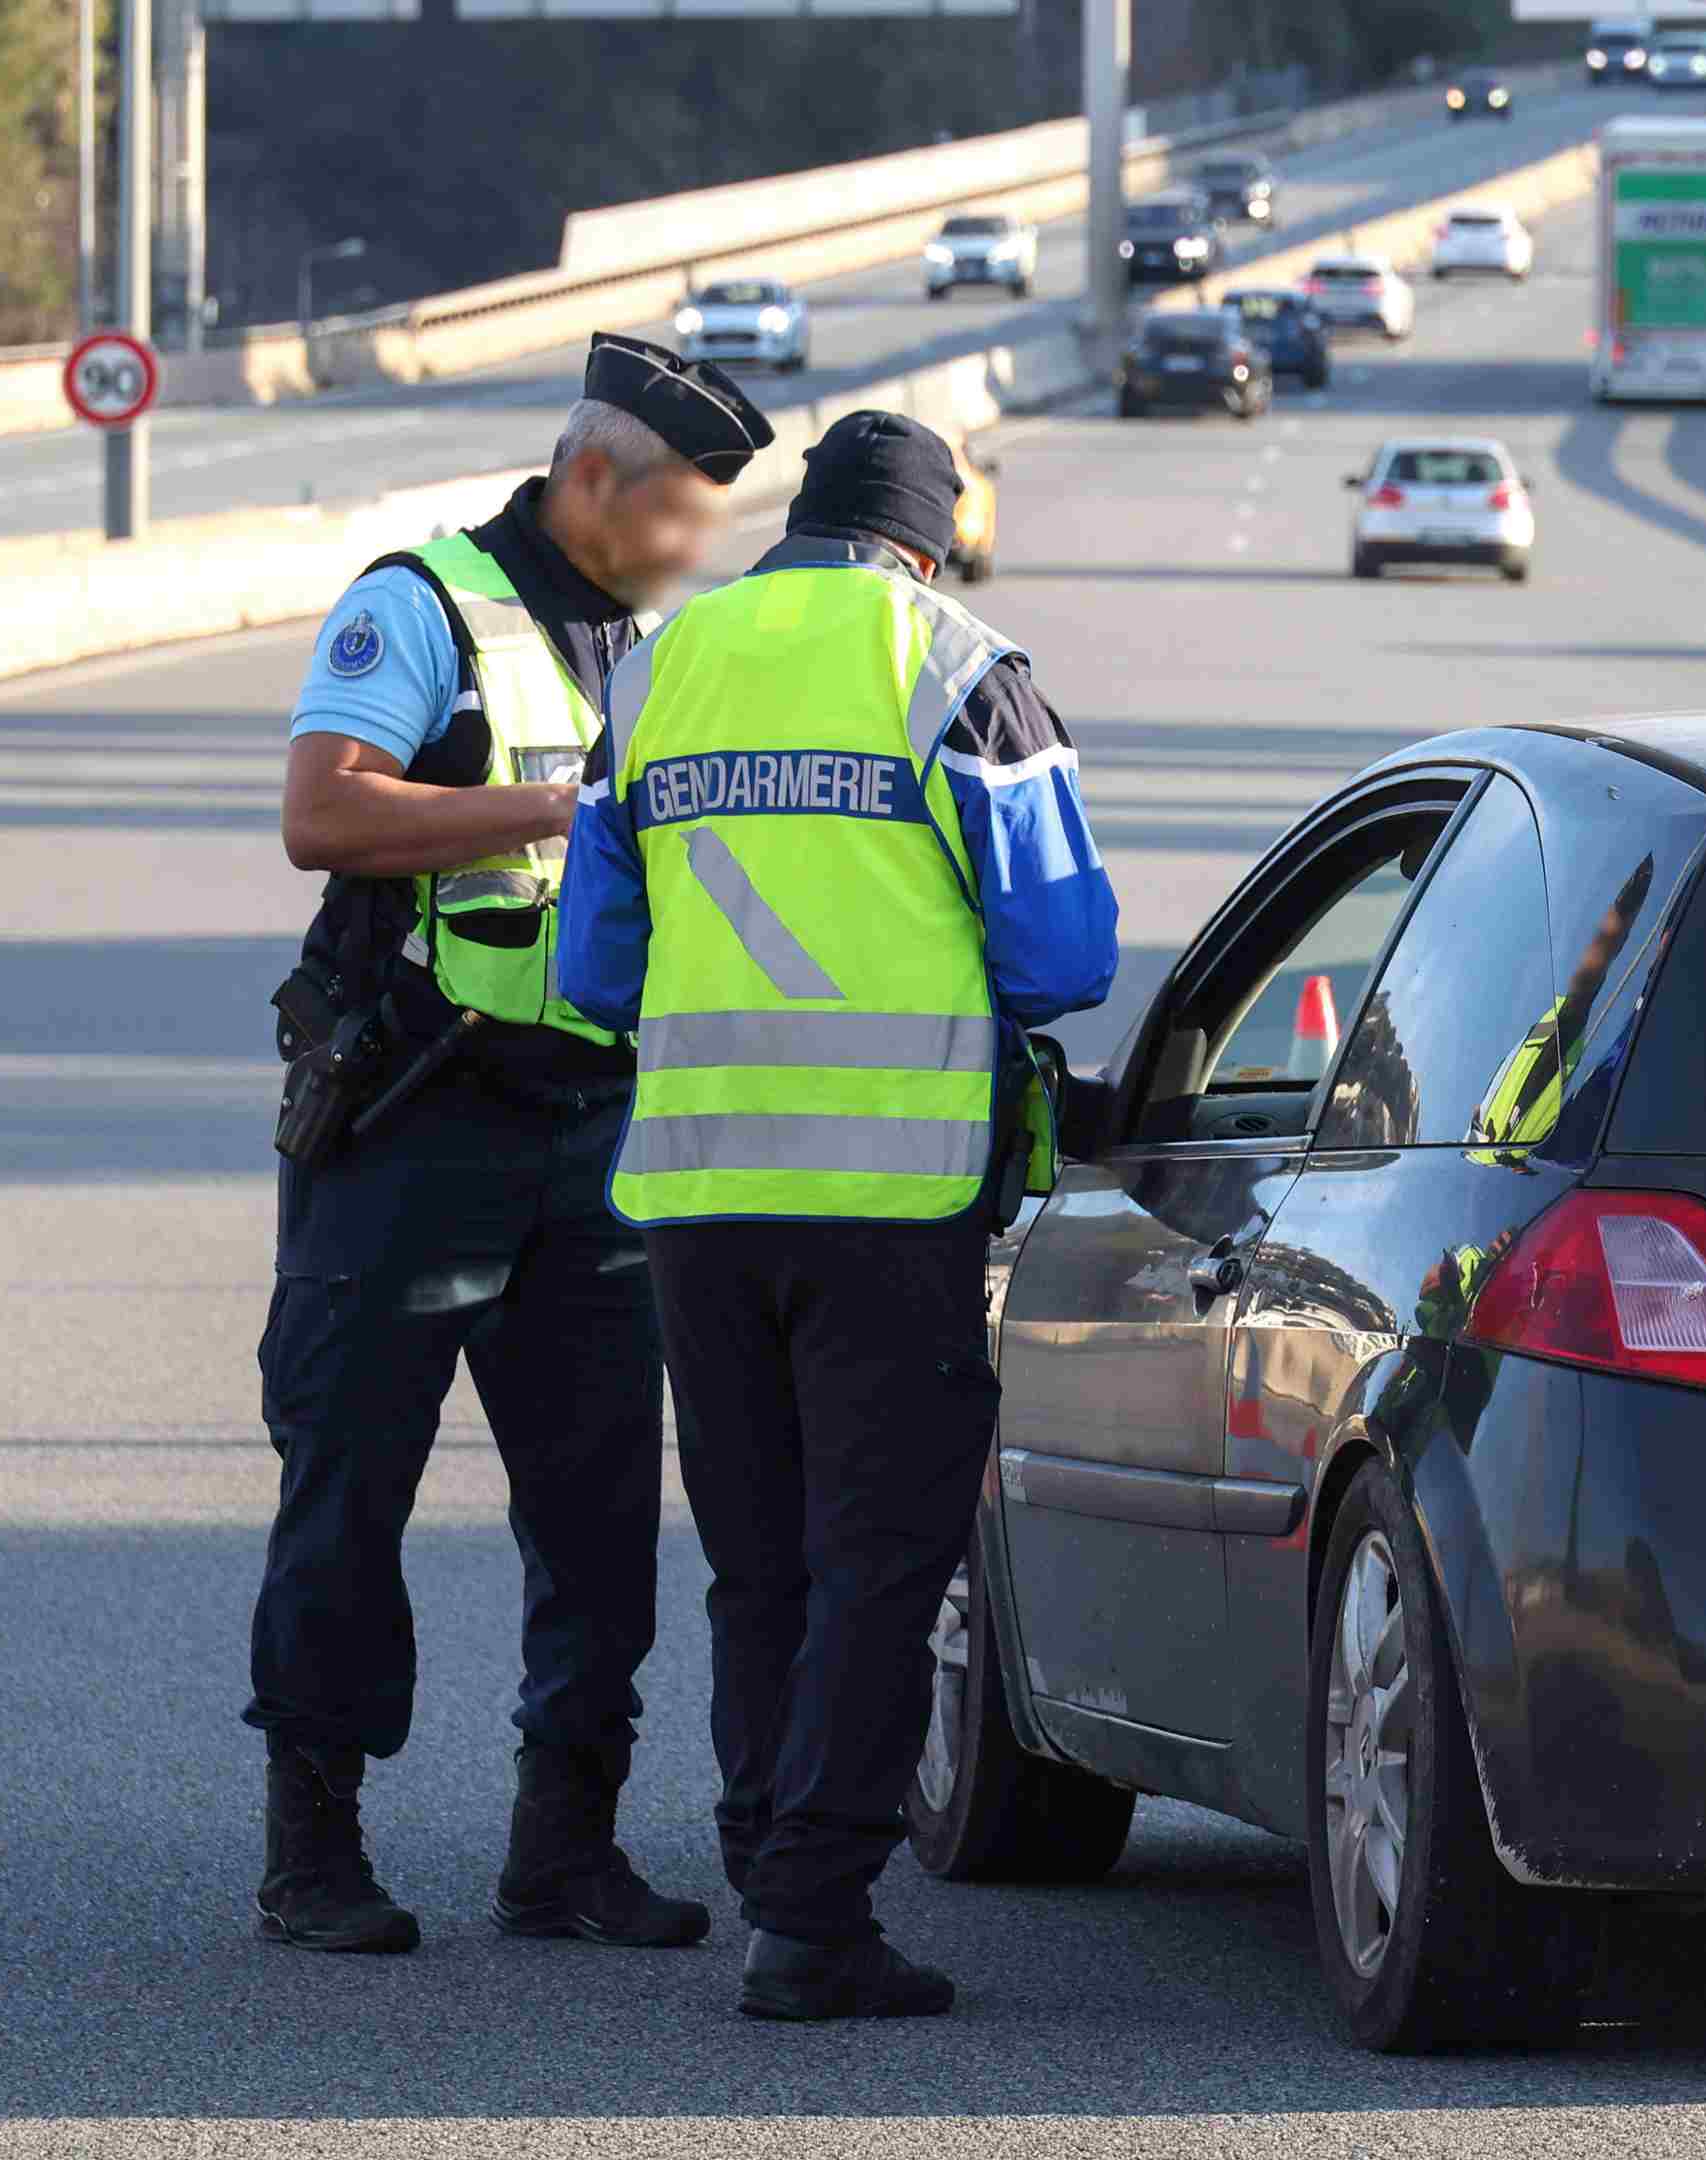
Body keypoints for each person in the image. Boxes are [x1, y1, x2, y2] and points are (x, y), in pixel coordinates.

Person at [556, 408, 1120, 2022]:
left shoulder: (662, 669)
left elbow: (596, 967)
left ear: (805, 520)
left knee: (759, 1561)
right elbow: (1061, 954)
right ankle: (811, 1913)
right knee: (882, 1558)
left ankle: (762, 1861)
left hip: (702, 1194)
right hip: (892, 1194)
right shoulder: (955, 664)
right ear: (927, 541)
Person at [248, 333, 772, 1958]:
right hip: (416, 1120)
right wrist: (553, 812)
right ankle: (314, 1852)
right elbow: (322, 813)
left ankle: (564, 1856)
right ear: (590, 475)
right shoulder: (421, 601)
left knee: (603, 1512)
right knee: (350, 1493)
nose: (697, 548)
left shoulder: (665, 646)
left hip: (596, 1130)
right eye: (680, 512)